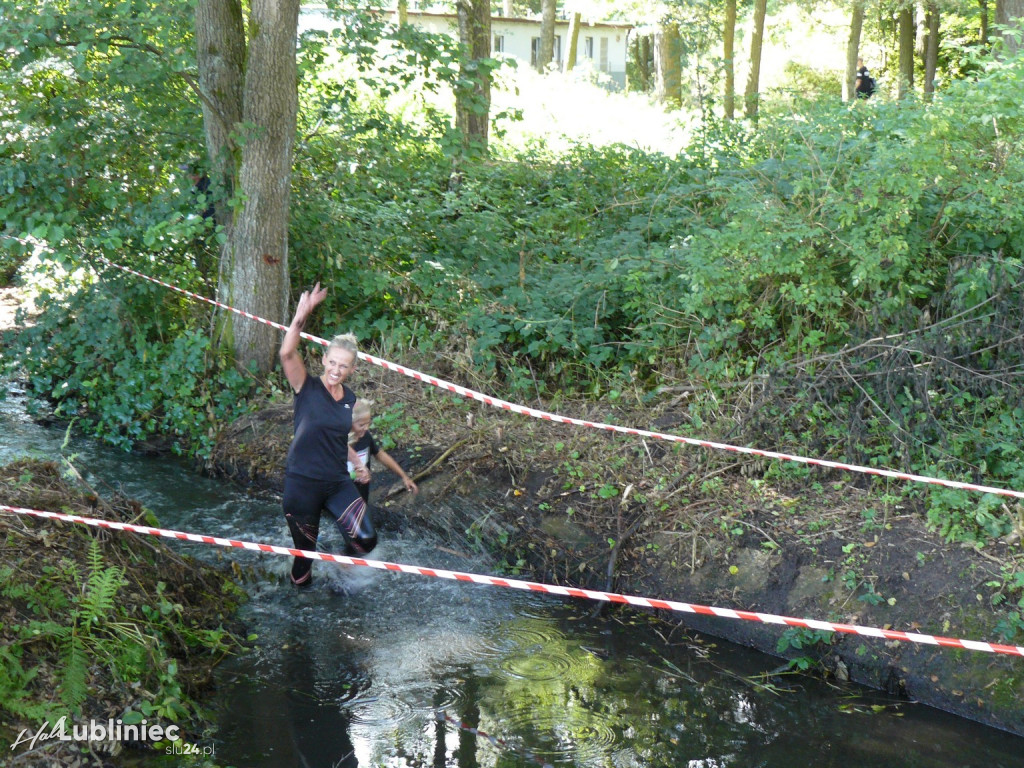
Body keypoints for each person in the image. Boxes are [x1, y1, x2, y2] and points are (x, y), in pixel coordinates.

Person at [279, 283, 376, 587]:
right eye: (332, 362)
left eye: (343, 365)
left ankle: (338, 569)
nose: (336, 369)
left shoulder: (349, 399)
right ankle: (299, 609)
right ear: (323, 360)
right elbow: (286, 351)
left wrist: (358, 465)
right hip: (302, 483)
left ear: (351, 369)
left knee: (366, 539)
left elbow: (337, 439)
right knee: (303, 560)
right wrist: (301, 315)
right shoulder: (305, 386)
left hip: (336, 482)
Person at [347, 399, 419, 503]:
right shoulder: (337, 442)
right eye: (361, 425)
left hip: (361, 496)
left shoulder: (366, 437)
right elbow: (329, 475)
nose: (366, 428)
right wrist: (354, 475)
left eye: (368, 423)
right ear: (350, 423)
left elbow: (380, 455)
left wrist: (404, 476)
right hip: (341, 498)